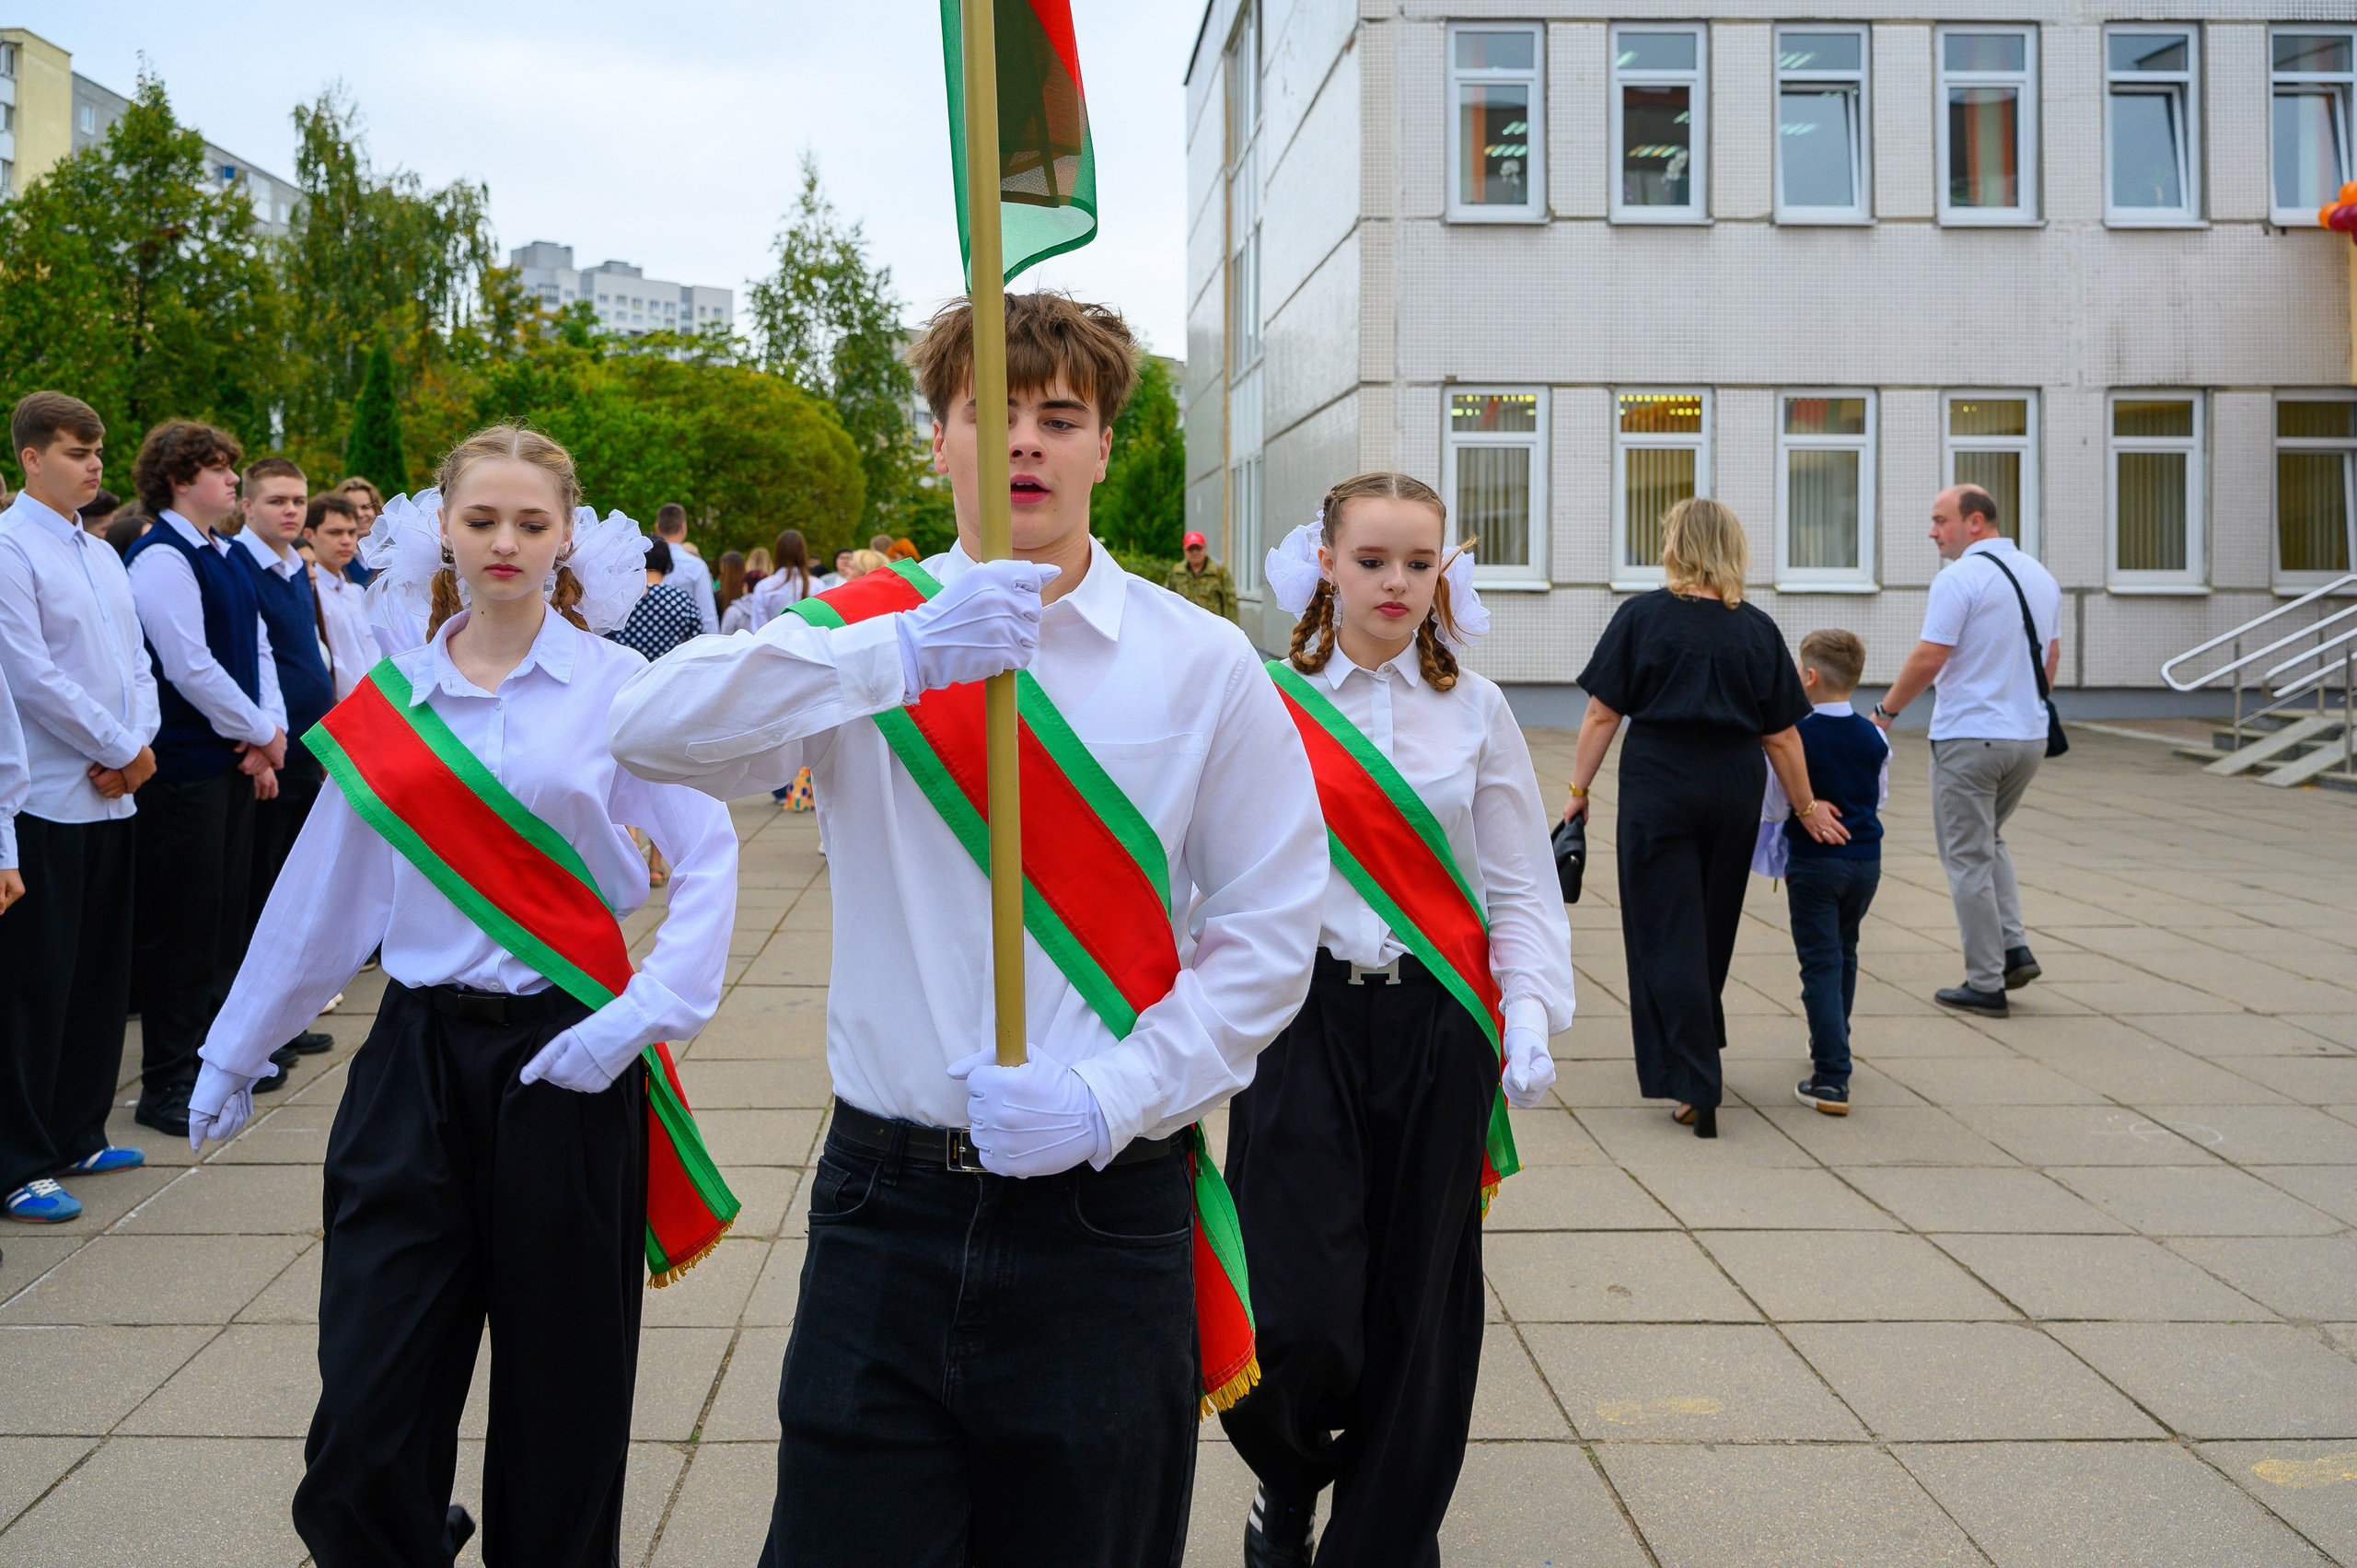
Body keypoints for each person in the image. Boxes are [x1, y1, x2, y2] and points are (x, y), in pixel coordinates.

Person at [608, 290, 1328, 1568]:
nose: (1025, 445)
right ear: (935, 440)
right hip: (887, 1206)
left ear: (1107, 443)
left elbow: (1270, 933)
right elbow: (652, 729)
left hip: (1109, 1211)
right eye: (988, 413)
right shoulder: (857, 634)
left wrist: (1115, 1096)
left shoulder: (1202, 662)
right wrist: (899, 654)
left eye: (1062, 416)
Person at [191, 424, 739, 1566]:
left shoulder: (619, 687)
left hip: (567, 1057)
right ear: (440, 526)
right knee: (368, 1402)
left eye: (530, 523)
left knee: (564, 1403)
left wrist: (640, 1018)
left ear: (568, 538)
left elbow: (708, 853)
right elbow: (324, 898)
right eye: (481, 519)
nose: (504, 541)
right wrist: (233, 1048)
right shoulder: (395, 701)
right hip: (417, 1062)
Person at [1229, 475, 1574, 1567]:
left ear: (1444, 572)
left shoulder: (1476, 708)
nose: (1395, 584)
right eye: (1372, 559)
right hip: (1300, 1022)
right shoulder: (1267, 701)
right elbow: (1214, 877)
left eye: (1418, 563)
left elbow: (1518, 880)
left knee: (1419, 1313)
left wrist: (1527, 1008)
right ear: (1324, 561)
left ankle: (1381, 1541)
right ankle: (1288, 1478)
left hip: (1438, 1026)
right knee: (1287, 1309)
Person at [1562, 499, 1843, 1138]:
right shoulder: (1757, 629)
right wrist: (1804, 807)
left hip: (1660, 781)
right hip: (1733, 786)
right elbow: (1784, 739)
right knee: (1710, 927)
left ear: (1675, 546)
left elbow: (1602, 715)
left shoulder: (1642, 617)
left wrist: (1578, 789)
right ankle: (1698, 1048)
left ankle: (1695, 1080)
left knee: (1665, 931)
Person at [0, 391, 158, 1223]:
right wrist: (114, 746)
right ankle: (19, 1158)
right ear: (31, 458)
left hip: (115, 793)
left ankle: (75, 1129)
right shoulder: (9, 549)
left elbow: (135, 660)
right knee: (34, 984)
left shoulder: (99, 553)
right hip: (49, 794)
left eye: (98, 451)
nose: (95, 464)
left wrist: (137, 743)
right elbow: (29, 675)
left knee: (98, 974)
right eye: (75, 450)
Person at [123, 420, 289, 1136]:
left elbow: (255, 648)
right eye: (217, 469)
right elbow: (188, 666)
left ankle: (215, 1061)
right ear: (177, 479)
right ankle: (165, 1081)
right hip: (186, 773)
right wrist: (258, 732)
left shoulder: (219, 553)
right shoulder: (161, 556)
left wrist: (268, 736)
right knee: (182, 932)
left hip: (230, 763)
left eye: (230, 466)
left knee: (223, 927)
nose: (231, 480)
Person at [1873, 483, 2061, 1017]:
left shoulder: (1959, 578)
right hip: (2027, 737)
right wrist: (2025, 705)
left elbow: (1930, 657)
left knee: (1966, 857)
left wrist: (1885, 713)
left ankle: (1985, 981)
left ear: (1975, 522)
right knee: (1988, 839)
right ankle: (2014, 948)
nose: (1933, 532)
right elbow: (2050, 658)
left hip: (1969, 738)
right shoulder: (2041, 577)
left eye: (1940, 520)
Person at [232, 458, 341, 1075]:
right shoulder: (242, 566)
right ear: (247, 506)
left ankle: (284, 1022)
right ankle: (257, 1035)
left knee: (293, 893)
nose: (292, 510)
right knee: (263, 897)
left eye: (298, 499)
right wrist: (262, 740)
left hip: (306, 749)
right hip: (270, 752)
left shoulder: (294, 568)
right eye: (277, 500)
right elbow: (250, 660)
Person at [1753, 630, 1888, 1117]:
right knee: (1845, 950)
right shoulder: (1874, 735)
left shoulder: (1796, 735)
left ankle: (1831, 1076)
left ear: (1808, 677)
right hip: (1866, 860)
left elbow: (1774, 802)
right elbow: (1881, 796)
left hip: (1814, 862)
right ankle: (1836, 1038)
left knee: (1819, 963)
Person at [303, 494, 374, 701]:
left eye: (351, 532)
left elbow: (371, 652)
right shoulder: (308, 591)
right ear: (309, 535)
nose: (346, 540)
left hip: (373, 703)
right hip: (337, 707)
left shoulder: (355, 593)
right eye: (335, 533)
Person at [607, 537, 703, 662]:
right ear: (667, 562)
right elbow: (697, 644)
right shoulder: (683, 600)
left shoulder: (621, 599)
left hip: (630, 676)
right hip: (670, 676)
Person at [654, 503, 719, 634]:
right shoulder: (696, 566)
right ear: (684, 528)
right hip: (685, 645)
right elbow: (708, 616)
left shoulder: (644, 562)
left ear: (657, 528)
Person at [1165, 529, 1239, 623]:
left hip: (1211, 626)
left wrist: (1232, 629)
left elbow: (1230, 602)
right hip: (1185, 626)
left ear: (1205, 549)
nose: (1195, 552)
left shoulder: (1219, 572)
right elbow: (1168, 600)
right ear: (1184, 550)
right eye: (1191, 549)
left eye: (1198, 548)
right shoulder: (1176, 572)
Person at [745, 528, 813, 627]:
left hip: (774, 640)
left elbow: (759, 627)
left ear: (778, 553)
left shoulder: (764, 586)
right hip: (807, 641)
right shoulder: (817, 585)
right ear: (803, 553)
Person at [331, 478, 382, 587]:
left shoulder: (392, 554)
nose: (359, 514)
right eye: (351, 508)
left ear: (376, 510)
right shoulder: (332, 558)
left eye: (365, 507)